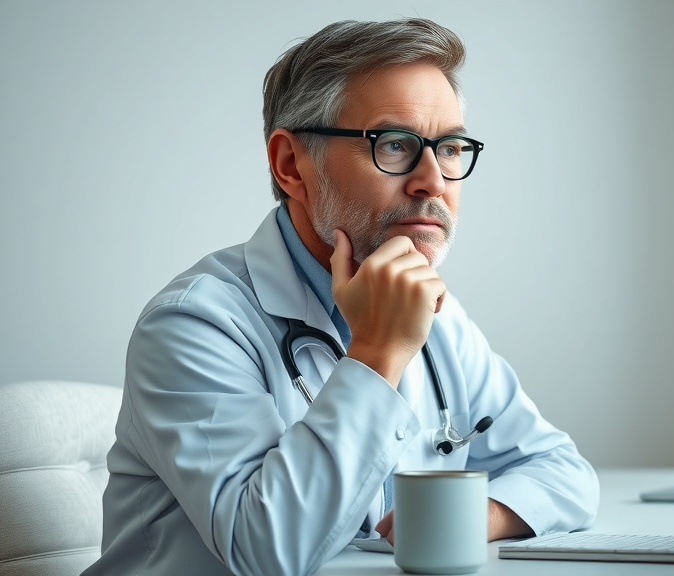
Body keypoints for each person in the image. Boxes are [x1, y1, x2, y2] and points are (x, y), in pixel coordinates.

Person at [83, 17, 599, 576]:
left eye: (448, 147)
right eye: (395, 144)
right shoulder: (192, 325)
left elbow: (563, 469)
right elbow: (266, 551)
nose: (434, 180)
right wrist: (378, 352)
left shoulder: (439, 322)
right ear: (291, 166)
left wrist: (483, 512)